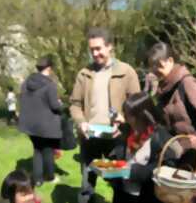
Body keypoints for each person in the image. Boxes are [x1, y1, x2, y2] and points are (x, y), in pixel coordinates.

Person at [70, 27, 140, 203]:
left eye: (98, 48)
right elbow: (75, 104)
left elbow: (138, 105)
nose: (95, 53)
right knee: (86, 185)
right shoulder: (84, 74)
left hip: (116, 139)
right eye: (92, 49)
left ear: (110, 47)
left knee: (119, 184)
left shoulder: (127, 72)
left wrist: (124, 119)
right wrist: (81, 122)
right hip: (89, 138)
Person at [146, 42, 196, 203]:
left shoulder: (188, 84)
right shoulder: (163, 90)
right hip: (179, 164)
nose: (155, 71)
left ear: (171, 61)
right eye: (152, 67)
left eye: (158, 66)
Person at [109, 92, 176, 203]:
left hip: (146, 196)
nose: (125, 118)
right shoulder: (126, 130)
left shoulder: (160, 136)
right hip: (122, 195)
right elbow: (118, 156)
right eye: (125, 113)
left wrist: (139, 172)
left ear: (141, 115)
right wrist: (110, 169)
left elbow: (168, 167)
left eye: (129, 115)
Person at [18, 56, 62, 187]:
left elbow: (23, 100)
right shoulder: (50, 84)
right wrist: (60, 104)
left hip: (30, 124)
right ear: (49, 68)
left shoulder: (25, 83)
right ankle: (49, 177)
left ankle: (37, 180)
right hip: (45, 125)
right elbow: (55, 106)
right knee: (47, 150)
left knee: (37, 150)